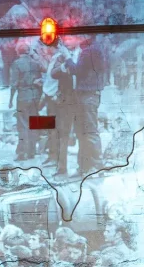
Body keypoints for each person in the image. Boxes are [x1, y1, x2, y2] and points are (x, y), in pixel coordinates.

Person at [49, 35, 104, 175]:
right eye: (65, 40)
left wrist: (69, 60)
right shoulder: (62, 55)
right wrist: (64, 65)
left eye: (69, 38)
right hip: (70, 100)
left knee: (86, 133)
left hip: (84, 97)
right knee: (70, 133)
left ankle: (90, 167)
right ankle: (70, 168)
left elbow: (78, 70)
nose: (66, 42)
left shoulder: (87, 52)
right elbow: (53, 73)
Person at [8, 41, 45, 160]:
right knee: (33, 123)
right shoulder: (35, 63)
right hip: (35, 96)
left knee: (23, 125)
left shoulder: (16, 64)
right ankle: (32, 152)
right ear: (28, 51)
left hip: (23, 96)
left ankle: (22, 152)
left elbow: (14, 84)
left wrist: (10, 100)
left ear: (17, 52)